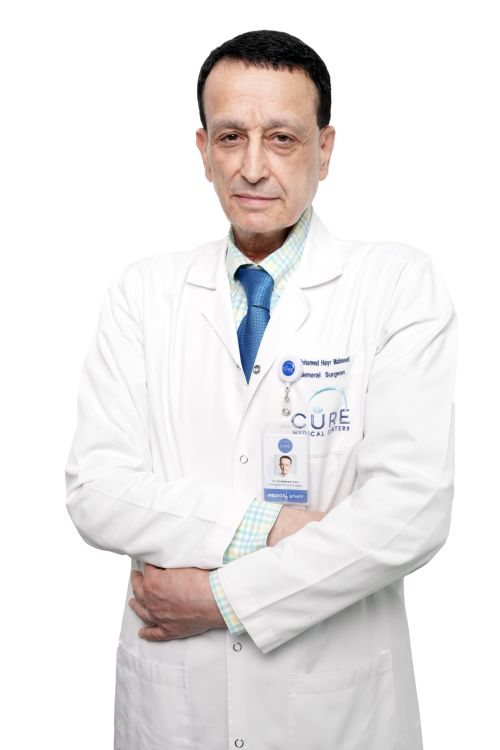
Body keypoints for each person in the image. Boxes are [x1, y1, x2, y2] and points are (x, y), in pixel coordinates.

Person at [65, 29, 457, 750]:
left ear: (325, 149)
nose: (252, 167)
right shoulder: (143, 294)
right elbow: (96, 488)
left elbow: (411, 510)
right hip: (175, 708)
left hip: (335, 709)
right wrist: (267, 526)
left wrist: (219, 598)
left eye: (282, 138)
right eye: (230, 137)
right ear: (202, 150)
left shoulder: (396, 286)